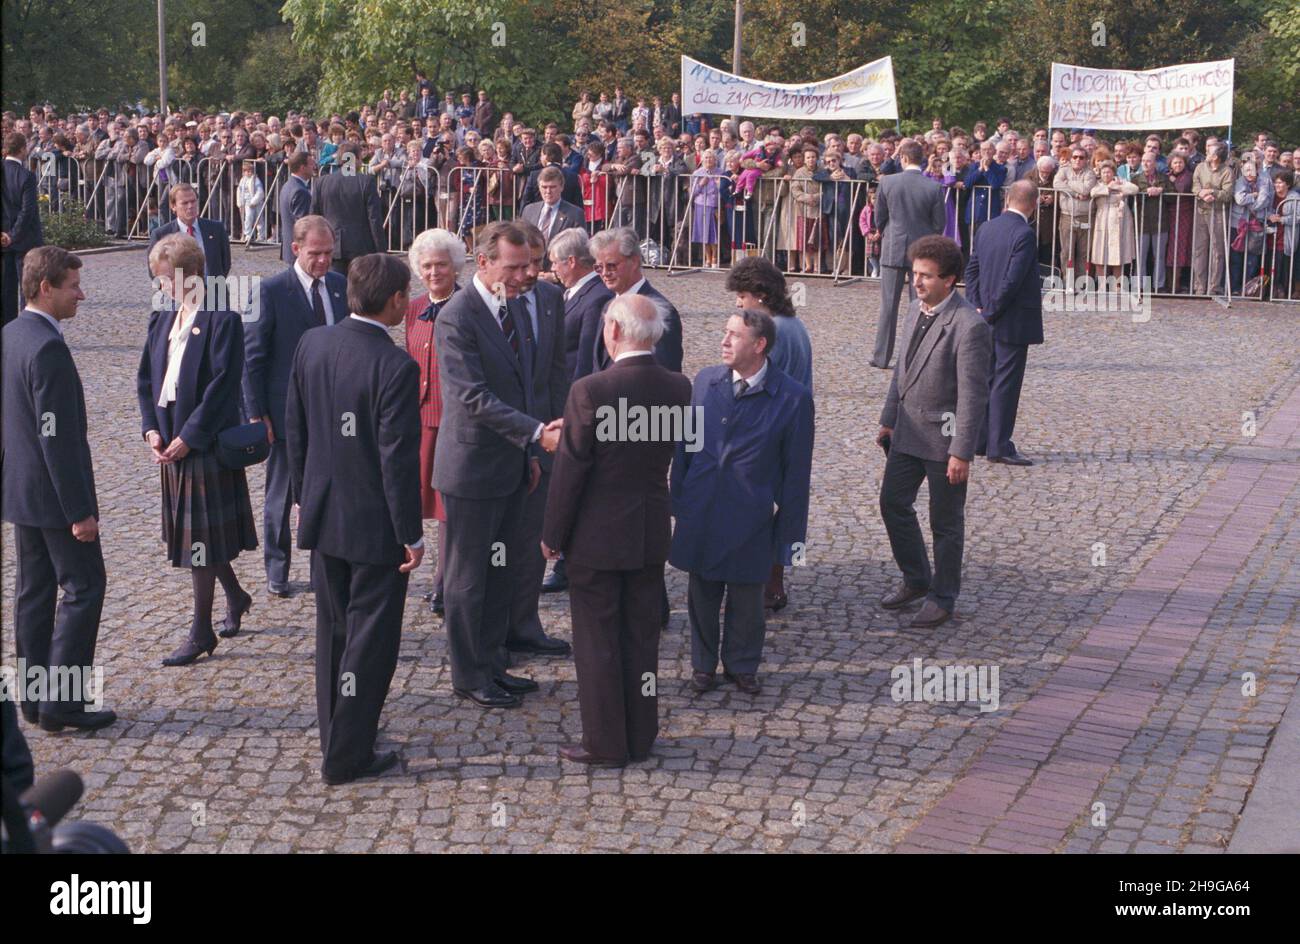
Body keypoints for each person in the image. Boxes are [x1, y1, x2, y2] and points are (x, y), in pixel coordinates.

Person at [285, 252, 423, 786]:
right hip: (374, 527)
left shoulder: (312, 343)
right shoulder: (395, 365)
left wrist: (302, 495)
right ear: (393, 301)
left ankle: (335, 736)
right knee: (370, 642)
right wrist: (410, 533)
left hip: (324, 516)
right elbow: (396, 459)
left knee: (334, 634)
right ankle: (348, 754)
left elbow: (295, 429)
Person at [541, 294, 692, 767]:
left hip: (597, 536)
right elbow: (659, 442)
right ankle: (640, 735)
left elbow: (572, 471)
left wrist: (552, 535)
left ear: (613, 331)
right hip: (648, 530)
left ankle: (605, 743)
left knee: (598, 643)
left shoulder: (590, 391)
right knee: (641, 638)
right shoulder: (679, 387)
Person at [433, 222, 561, 709]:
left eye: (528, 265)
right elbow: (470, 397)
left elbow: (529, 384)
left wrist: (528, 454)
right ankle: (469, 674)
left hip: (511, 465)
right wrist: (534, 435)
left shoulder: (514, 307)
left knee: (500, 570)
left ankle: (493, 662)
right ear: (482, 262)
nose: (524, 274)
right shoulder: (458, 316)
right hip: (471, 470)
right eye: (513, 267)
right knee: (468, 578)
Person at [670, 309, 813, 694]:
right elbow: (686, 445)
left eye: (734, 335)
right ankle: (703, 664)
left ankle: (742, 664)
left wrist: (789, 540)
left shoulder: (793, 398)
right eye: (725, 332)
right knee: (701, 592)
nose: (724, 341)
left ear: (759, 344)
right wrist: (679, 499)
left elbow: (796, 475)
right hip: (702, 507)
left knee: (748, 598)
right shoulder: (705, 381)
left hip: (751, 516)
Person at [2, 247, 115, 731]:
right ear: (45, 287)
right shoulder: (47, 347)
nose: (81, 295)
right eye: (73, 286)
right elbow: (57, 439)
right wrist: (80, 512)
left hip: (21, 490)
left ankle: (32, 698)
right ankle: (62, 703)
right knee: (84, 587)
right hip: (53, 497)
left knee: (33, 592)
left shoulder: (10, 333)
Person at [137, 234, 257, 667]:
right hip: (169, 443)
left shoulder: (222, 319)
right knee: (197, 538)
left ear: (189, 275)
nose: (162, 286)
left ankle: (201, 630)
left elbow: (222, 387)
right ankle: (237, 595)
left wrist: (189, 435)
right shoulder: (162, 319)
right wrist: (151, 430)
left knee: (201, 541)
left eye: (165, 279)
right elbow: (147, 381)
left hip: (201, 444)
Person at [878, 235, 991, 628]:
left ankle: (943, 597)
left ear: (950, 280)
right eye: (914, 275)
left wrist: (962, 452)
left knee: (945, 524)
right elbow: (901, 372)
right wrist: (888, 416)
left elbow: (973, 397)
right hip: (907, 434)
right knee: (892, 504)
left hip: (944, 442)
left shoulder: (969, 326)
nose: (917, 283)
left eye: (926, 276)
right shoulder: (913, 310)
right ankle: (916, 578)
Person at [243, 215, 347, 597]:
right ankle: (277, 566)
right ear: (295, 248)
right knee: (281, 494)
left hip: (334, 408)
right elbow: (251, 356)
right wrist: (256, 413)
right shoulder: (270, 290)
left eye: (329, 254)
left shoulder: (339, 286)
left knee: (332, 488)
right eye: (315, 254)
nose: (323, 261)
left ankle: (328, 563)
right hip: (285, 411)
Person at [724, 256, 811, 613]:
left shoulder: (774, 330)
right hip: (789, 427)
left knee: (761, 507)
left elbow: (761, 382)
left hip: (770, 431)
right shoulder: (793, 323)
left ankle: (766, 584)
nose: (739, 303)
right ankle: (772, 581)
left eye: (742, 295)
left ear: (760, 294)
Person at [506, 223, 572, 657]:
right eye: (523, 263)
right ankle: (494, 632)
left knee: (533, 539)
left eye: (538, 262)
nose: (531, 272)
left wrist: (560, 425)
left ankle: (525, 624)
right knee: (499, 546)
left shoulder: (551, 298)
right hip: (502, 437)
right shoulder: (491, 303)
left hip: (545, 435)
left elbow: (557, 368)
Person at [403, 229, 461, 616]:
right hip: (420, 418)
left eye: (441, 264)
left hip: (454, 421)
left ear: (455, 266)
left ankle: (446, 581)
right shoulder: (413, 307)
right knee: (417, 500)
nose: (434, 271)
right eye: (427, 266)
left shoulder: (469, 304)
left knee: (449, 509)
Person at [965, 180, 1044, 468]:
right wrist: (993, 309)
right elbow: (1014, 278)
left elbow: (972, 268)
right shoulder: (1024, 233)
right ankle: (999, 444)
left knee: (986, 379)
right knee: (1005, 384)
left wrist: (976, 304)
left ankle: (981, 440)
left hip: (986, 313)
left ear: (1007, 199)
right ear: (1033, 204)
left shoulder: (987, 227)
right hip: (1010, 319)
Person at [872, 139, 946, 369]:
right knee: (922, 306)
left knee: (888, 307)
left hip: (893, 246)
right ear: (921, 159)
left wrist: (889, 234)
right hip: (922, 252)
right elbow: (939, 224)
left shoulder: (887, 182)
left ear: (902, 158)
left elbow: (879, 218)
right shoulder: (933, 187)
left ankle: (881, 357)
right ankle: (916, 357)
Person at [590, 227, 683, 372]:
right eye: (599, 267)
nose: (605, 273)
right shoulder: (608, 305)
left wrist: (623, 396)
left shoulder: (660, 311)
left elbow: (664, 372)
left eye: (611, 266)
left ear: (634, 262)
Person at [309, 142, 385, 273]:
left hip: (331, 245)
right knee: (359, 290)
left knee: (335, 288)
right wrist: (381, 251)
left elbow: (314, 218)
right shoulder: (366, 181)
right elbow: (374, 219)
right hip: (361, 247)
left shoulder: (321, 182)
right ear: (354, 159)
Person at [2, 132, 44, 325]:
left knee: (5, 290)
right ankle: (27, 327)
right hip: (24, 240)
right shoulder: (26, 175)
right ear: (21, 149)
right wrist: (14, 235)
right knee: (27, 289)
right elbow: (28, 211)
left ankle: (7, 328)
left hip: (4, 240)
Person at [1191, 143, 1233, 296]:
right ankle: (1199, 286)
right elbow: (1194, 185)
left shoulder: (1227, 171)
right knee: (1199, 249)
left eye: (1209, 151)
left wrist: (1213, 193)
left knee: (1217, 251)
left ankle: (1213, 286)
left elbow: (1228, 193)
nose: (1206, 152)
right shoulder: (1200, 168)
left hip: (1218, 214)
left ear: (1216, 156)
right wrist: (1201, 193)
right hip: (1201, 211)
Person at [1054, 147, 1096, 290]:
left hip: (1086, 217)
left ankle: (1081, 283)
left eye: (1081, 157)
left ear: (1086, 160)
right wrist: (1074, 193)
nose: (1078, 160)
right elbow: (1056, 183)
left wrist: (1068, 184)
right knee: (1067, 251)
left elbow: (1086, 189)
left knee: (1084, 252)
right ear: (1071, 158)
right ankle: (1068, 283)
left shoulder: (1090, 172)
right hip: (1067, 216)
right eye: (1075, 157)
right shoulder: (1064, 170)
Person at [1088, 161, 1139, 280]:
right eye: (1104, 172)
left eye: (1109, 172)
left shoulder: (1120, 181)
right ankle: (1101, 284)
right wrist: (1108, 188)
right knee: (1099, 252)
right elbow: (1093, 193)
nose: (1106, 175)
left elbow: (1134, 189)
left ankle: (1117, 285)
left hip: (1120, 220)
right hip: (1103, 218)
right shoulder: (1098, 184)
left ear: (1113, 173)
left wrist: (1118, 186)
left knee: (1118, 252)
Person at [1131, 153, 1171, 292]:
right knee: (1140, 256)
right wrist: (1144, 190)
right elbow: (1131, 194)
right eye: (1143, 161)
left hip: (1160, 222)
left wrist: (1161, 190)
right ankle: (1139, 285)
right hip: (1142, 221)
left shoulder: (1163, 178)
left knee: (1159, 256)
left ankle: (1158, 285)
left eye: (1148, 161)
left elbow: (1173, 194)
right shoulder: (1135, 179)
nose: (1145, 163)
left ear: (1155, 163)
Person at [520, 166, 583, 252]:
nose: (548, 191)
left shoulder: (575, 214)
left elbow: (579, 248)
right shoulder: (529, 210)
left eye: (552, 187)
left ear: (561, 187)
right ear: (539, 187)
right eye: (544, 187)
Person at [1165, 153, 1195, 294]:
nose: (1178, 165)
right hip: (1169, 214)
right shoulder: (1167, 174)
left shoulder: (1187, 175)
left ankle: (1175, 284)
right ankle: (1168, 283)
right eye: (1175, 163)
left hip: (1183, 214)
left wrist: (1172, 180)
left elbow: (1182, 189)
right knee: (1168, 248)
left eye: (1180, 163)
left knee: (1179, 248)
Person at [278, 151, 314, 263]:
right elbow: (303, 223)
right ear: (302, 168)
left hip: (291, 247)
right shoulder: (299, 191)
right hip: (299, 250)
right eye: (311, 164)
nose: (314, 166)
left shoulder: (288, 185)